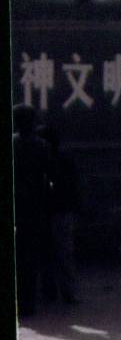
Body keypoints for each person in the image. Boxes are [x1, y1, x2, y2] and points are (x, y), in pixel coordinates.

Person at [13, 104, 54, 319]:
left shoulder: (13, 144)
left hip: (16, 204)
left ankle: (19, 301)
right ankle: (29, 302)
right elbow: (48, 175)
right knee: (32, 256)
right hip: (36, 207)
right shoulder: (42, 146)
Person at [40, 126, 81, 306]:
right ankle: (68, 293)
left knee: (47, 254)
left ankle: (49, 292)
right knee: (64, 253)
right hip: (63, 211)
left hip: (46, 211)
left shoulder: (44, 161)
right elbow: (74, 188)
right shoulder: (66, 160)